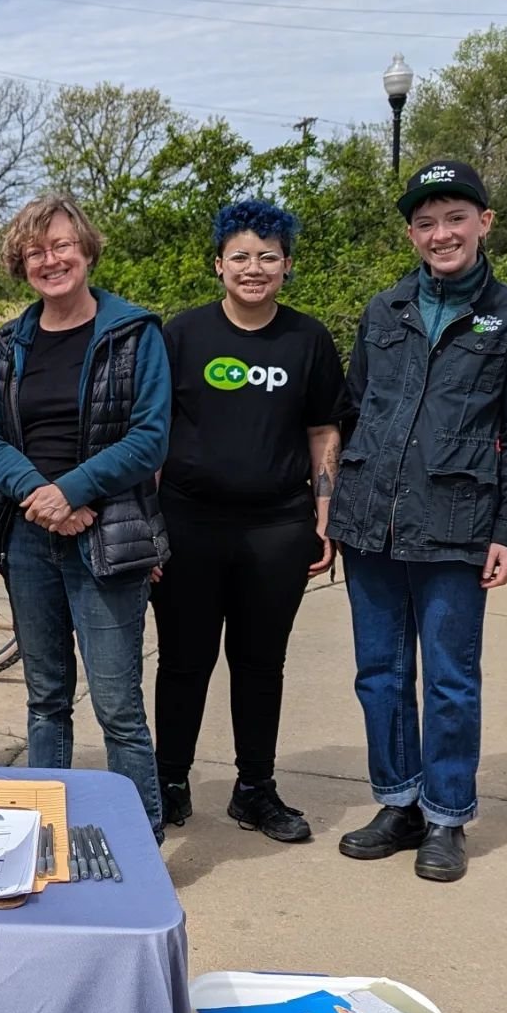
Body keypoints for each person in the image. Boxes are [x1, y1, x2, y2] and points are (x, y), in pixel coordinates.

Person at [329, 160, 507, 883]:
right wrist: (333, 502)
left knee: (451, 678)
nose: (440, 233)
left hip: (457, 521)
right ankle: (398, 803)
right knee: (381, 673)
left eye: (455, 217)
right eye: (425, 222)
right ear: (411, 234)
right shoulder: (383, 308)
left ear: (484, 222)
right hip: (372, 522)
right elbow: (353, 409)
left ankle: (448, 813)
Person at [0, 192, 171, 840]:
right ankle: (44, 833)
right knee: (46, 699)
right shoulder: (9, 342)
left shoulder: (135, 332)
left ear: (85, 248)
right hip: (30, 540)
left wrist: (76, 489)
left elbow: (150, 436)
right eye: (35, 250)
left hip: (109, 538)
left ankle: (141, 844)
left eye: (60, 245)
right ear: (19, 261)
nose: (50, 259)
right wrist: (42, 495)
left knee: (118, 707)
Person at [150, 200, 346, 843]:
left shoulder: (307, 339)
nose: (254, 267)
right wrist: (150, 524)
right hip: (188, 524)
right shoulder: (182, 335)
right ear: (218, 264)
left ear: (286, 265)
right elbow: (153, 434)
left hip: (276, 529)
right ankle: (170, 781)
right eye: (241, 256)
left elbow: (323, 430)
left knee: (261, 664)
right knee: (183, 661)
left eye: (268, 256)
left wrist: (323, 518)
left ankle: (254, 789)